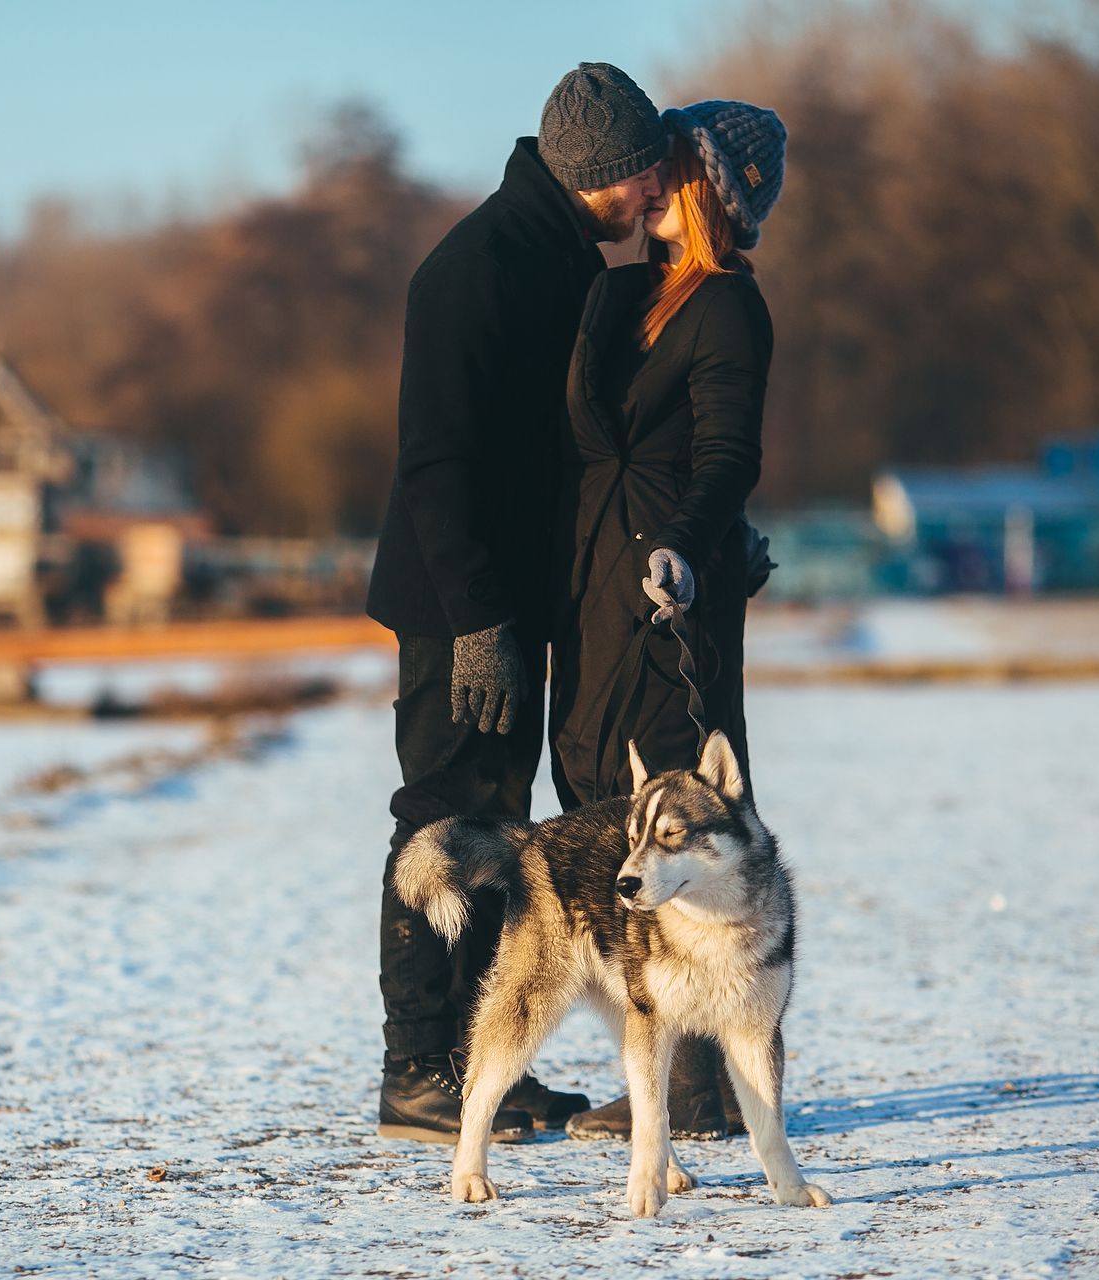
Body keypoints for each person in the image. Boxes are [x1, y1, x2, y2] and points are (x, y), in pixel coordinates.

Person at [365, 63, 672, 1143]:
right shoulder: (478, 270)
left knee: (499, 829)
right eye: (645, 177)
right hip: (459, 605)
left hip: (503, 601)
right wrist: (481, 622)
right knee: (439, 820)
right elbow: (436, 464)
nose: (654, 198)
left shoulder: (556, 258)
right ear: (604, 172)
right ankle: (417, 1072)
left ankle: (477, 1063)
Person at [547, 100, 787, 1141]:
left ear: (709, 187)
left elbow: (730, 452)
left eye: (671, 163)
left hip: (668, 585)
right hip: (601, 571)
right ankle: (665, 1063)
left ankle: (697, 1084)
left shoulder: (729, 305)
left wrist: (692, 543)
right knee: (593, 778)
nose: (649, 178)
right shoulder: (633, 292)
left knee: (668, 800)